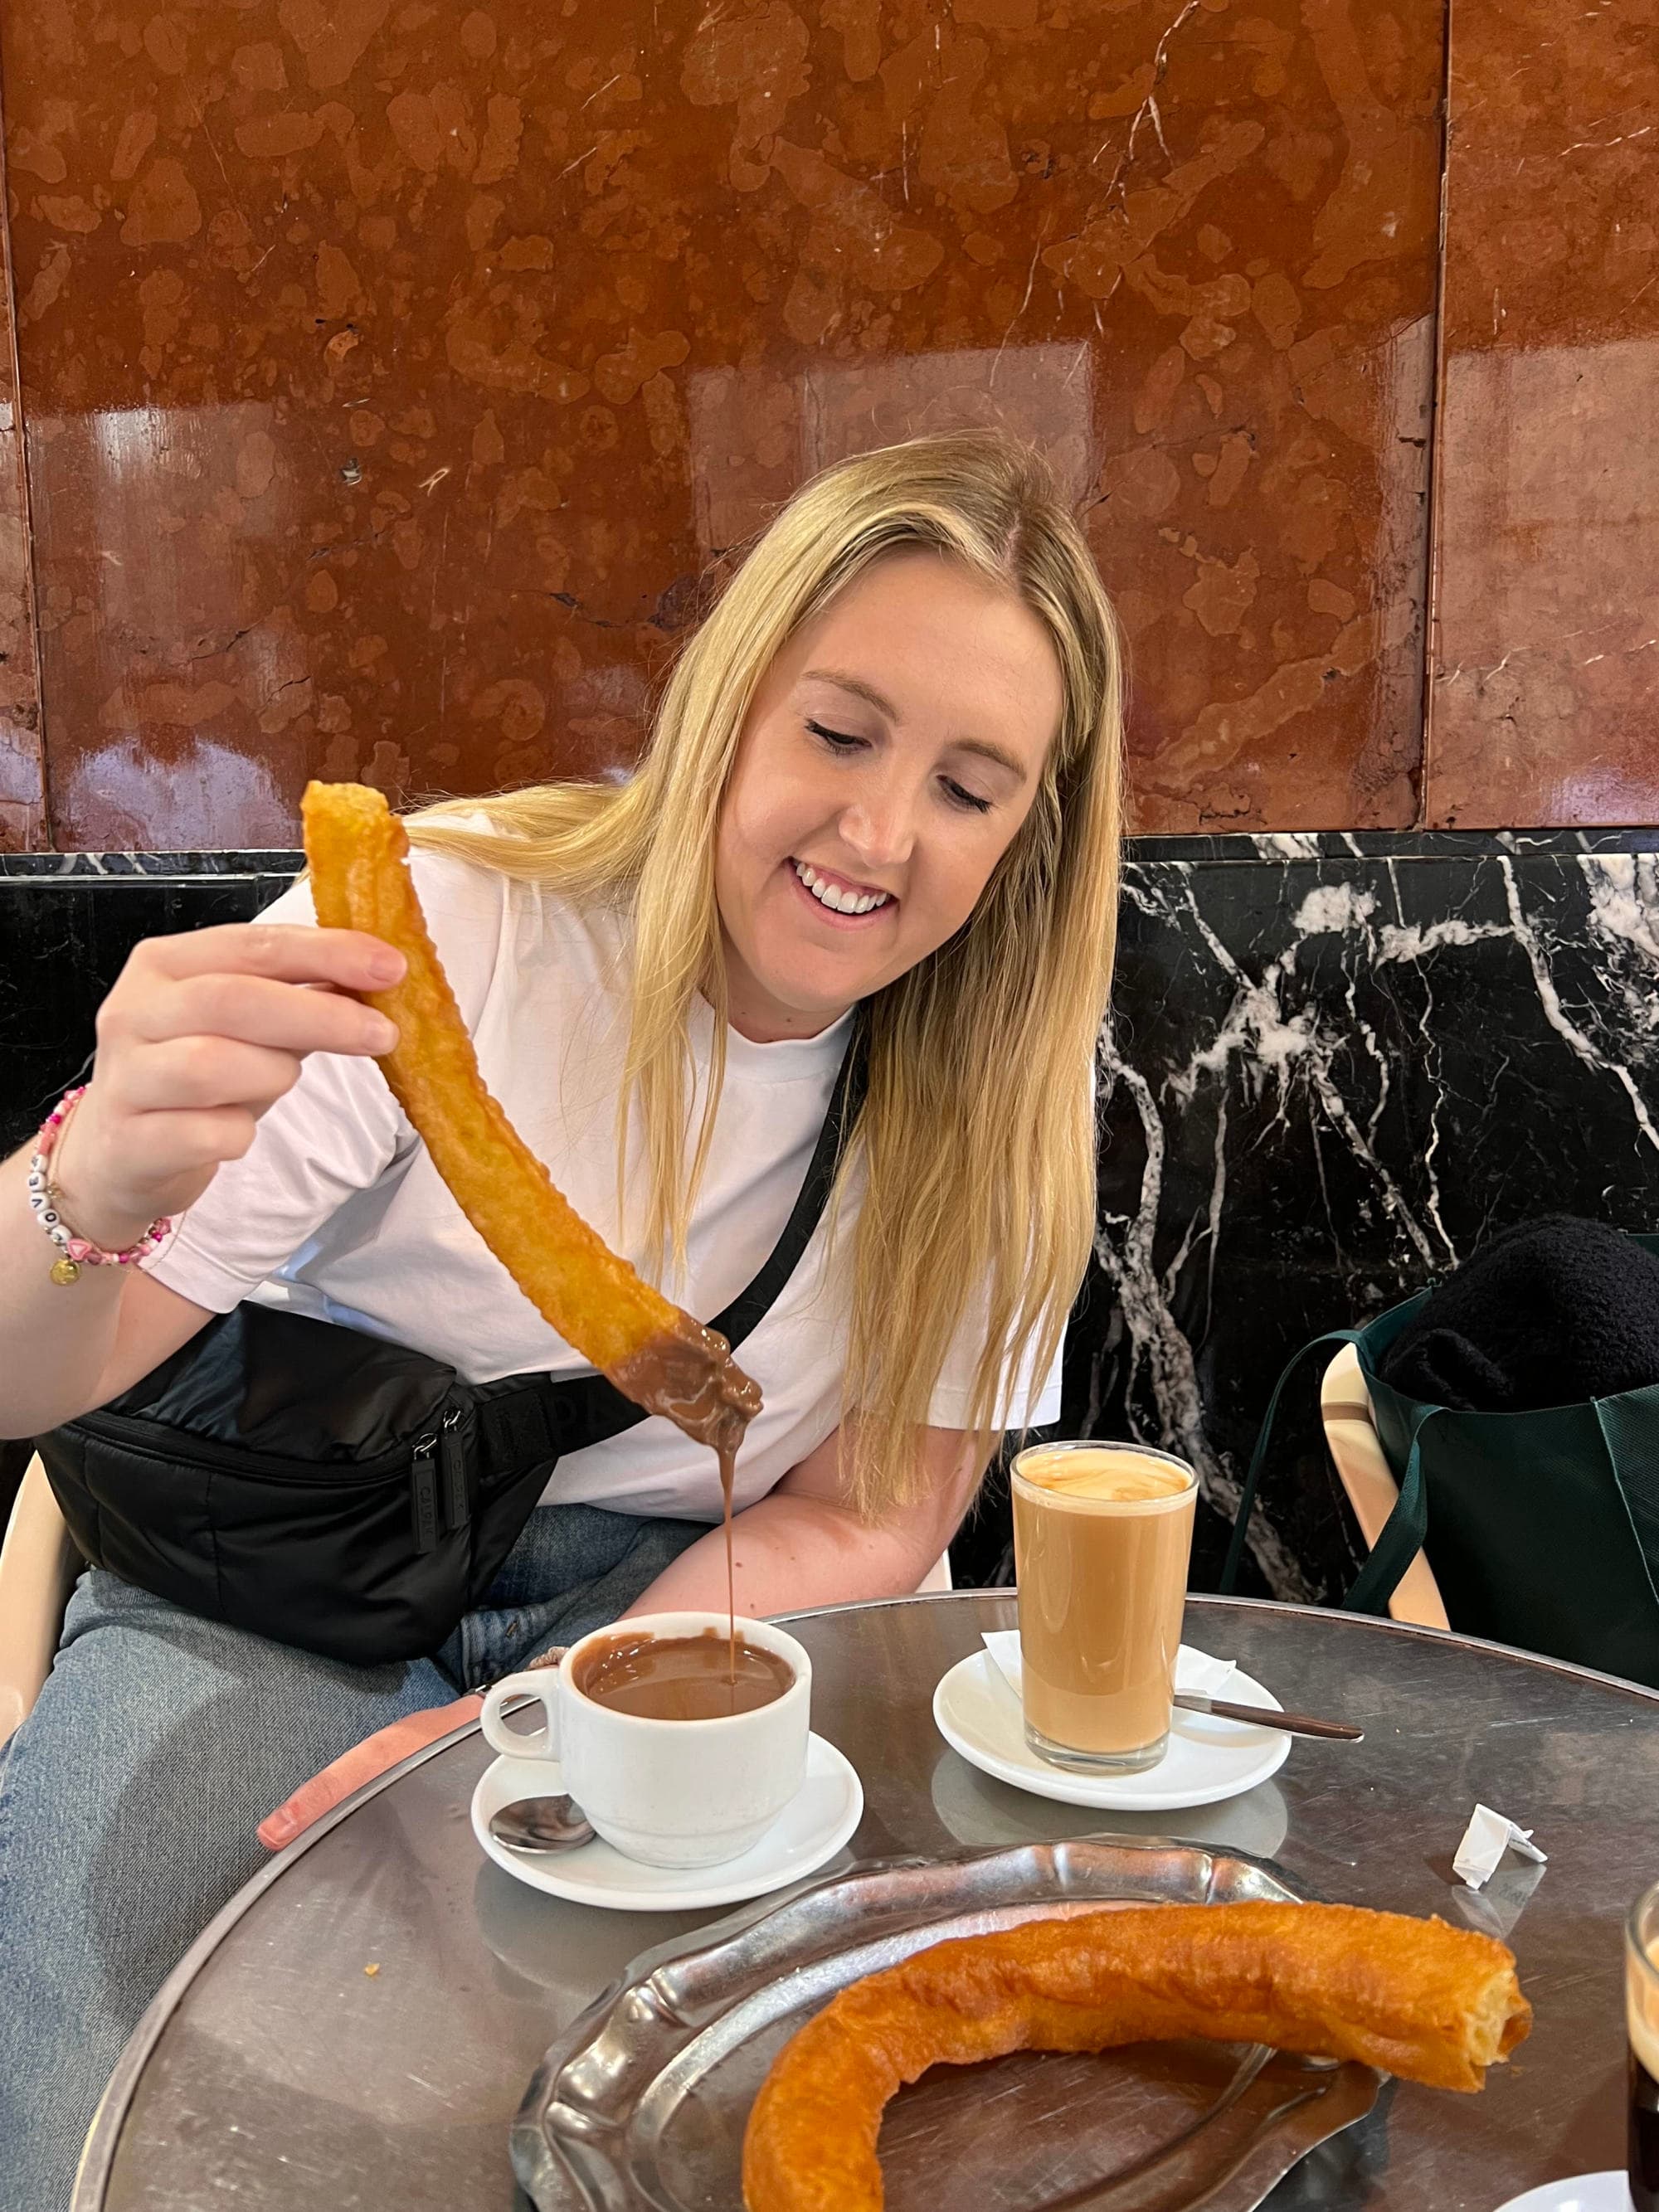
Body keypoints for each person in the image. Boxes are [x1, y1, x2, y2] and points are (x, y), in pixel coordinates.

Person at [0, 429, 1124, 2207]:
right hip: (277, 1586)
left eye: (972, 786)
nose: (878, 832)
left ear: (1030, 829)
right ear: (728, 701)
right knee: (101, 2125)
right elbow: (25, 1373)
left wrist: (534, 1717)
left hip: (676, 1609)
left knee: (740, 2130)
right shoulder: (452, 928)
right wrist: (86, 1183)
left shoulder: (1000, 1090)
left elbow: (873, 1511)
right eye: (837, 732)